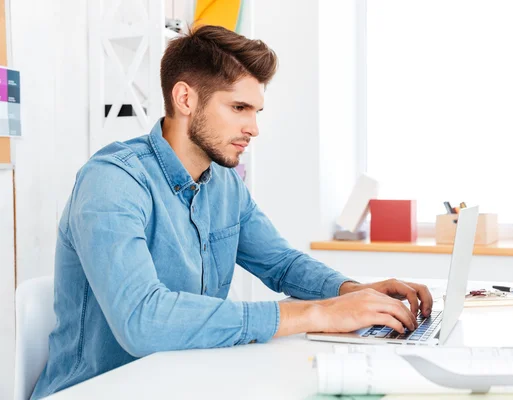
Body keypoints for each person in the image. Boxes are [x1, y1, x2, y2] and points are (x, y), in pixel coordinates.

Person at [31, 25, 432, 399]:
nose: (254, 127)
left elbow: (281, 264)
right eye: (239, 108)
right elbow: (143, 320)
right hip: (99, 391)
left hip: (184, 382)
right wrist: (316, 314)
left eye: (256, 111)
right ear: (185, 98)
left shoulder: (223, 183)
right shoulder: (113, 181)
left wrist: (355, 293)